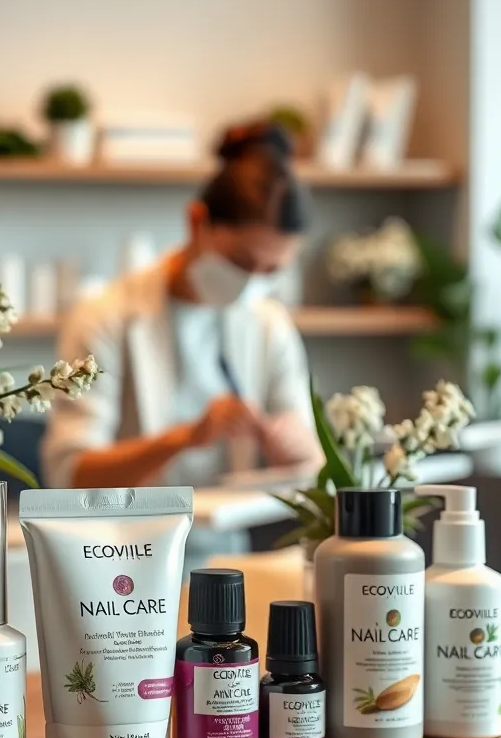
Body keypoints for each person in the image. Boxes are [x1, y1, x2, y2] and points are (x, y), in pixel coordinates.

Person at [43, 121, 322, 503]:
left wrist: (301, 452)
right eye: (240, 261)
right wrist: (185, 438)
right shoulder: (103, 317)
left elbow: (311, 463)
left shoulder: (270, 324)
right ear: (196, 222)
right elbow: (70, 475)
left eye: (272, 270)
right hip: (126, 551)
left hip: (235, 547)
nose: (251, 282)